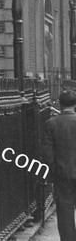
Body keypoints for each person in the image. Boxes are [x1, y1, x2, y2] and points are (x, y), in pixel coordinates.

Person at [42, 88, 76, 240]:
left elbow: (48, 154)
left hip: (63, 174)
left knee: (65, 213)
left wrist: (53, 171)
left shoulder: (51, 123)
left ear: (60, 104)